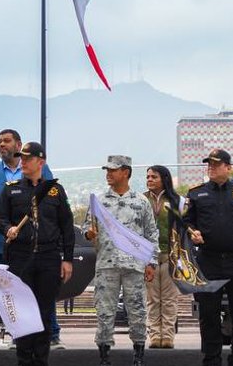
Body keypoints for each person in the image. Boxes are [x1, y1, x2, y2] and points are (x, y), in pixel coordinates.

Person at [0, 129, 63, 347]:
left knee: (43, 291)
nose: (2, 144)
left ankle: (50, 334)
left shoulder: (41, 170)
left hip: (39, 244)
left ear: (19, 145)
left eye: (6, 141)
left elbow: (53, 204)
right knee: (12, 292)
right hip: (3, 245)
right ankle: (19, 334)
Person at [0, 141, 74, 366]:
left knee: (45, 311)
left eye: (28, 158)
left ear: (41, 162)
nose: (24, 162)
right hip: (21, 258)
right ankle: (23, 359)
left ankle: (41, 359)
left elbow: (66, 226)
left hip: (49, 258)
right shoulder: (11, 188)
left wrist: (67, 259)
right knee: (21, 312)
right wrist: (7, 228)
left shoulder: (55, 190)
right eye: (22, 158)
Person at [183, 149, 233, 366]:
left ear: (228, 168)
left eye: (216, 164)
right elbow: (185, 224)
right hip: (208, 262)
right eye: (209, 164)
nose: (211, 167)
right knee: (208, 315)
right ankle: (211, 359)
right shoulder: (196, 194)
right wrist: (192, 232)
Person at [86, 155, 157, 366]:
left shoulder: (141, 201)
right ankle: (104, 355)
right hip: (107, 264)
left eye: (113, 170)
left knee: (137, 310)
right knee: (105, 311)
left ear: (125, 172)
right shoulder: (99, 200)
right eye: (107, 170)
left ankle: (138, 354)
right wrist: (89, 234)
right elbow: (88, 228)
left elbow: (151, 233)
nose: (108, 174)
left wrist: (151, 262)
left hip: (134, 265)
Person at [142, 165, 182, 349]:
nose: (150, 179)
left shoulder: (177, 201)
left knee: (169, 300)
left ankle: (167, 336)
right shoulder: (141, 201)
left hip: (171, 257)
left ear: (164, 179)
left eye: (154, 177)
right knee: (152, 300)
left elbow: (185, 227)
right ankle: (154, 336)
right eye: (148, 177)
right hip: (147, 258)